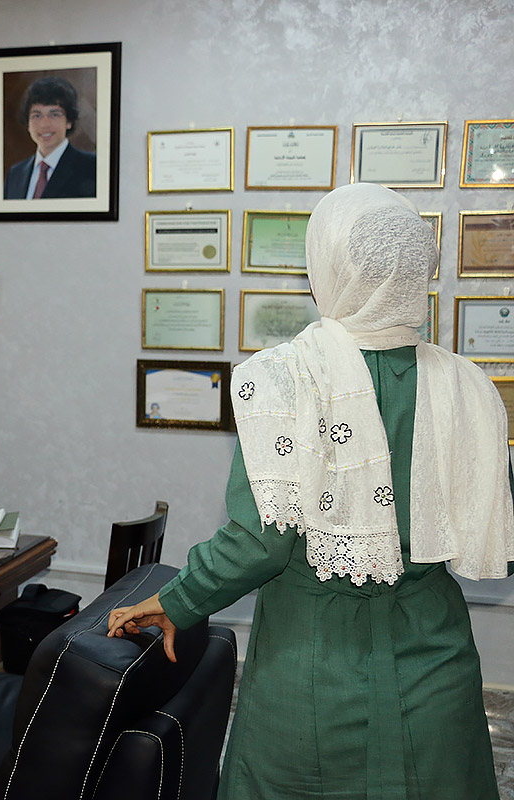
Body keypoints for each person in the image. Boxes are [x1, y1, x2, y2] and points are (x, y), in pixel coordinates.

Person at [108, 183, 514, 799]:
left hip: (312, 673)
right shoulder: (470, 386)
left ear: (328, 266)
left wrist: (177, 600)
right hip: (436, 669)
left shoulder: (285, 381)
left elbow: (258, 544)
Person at [3, 75, 96, 200]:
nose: (44, 124)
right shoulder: (15, 174)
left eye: (54, 115)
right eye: (37, 116)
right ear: (28, 123)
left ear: (69, 121)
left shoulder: (91, 168)